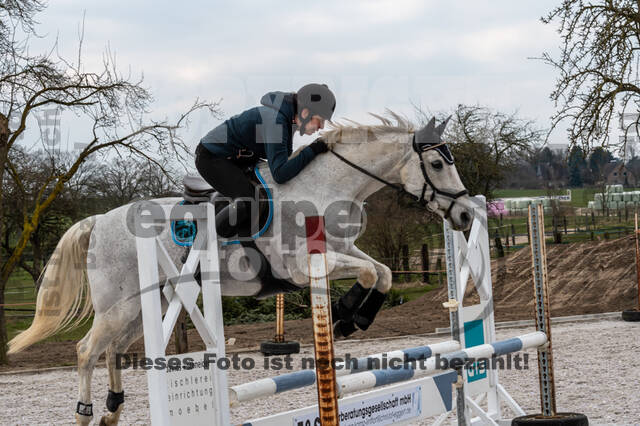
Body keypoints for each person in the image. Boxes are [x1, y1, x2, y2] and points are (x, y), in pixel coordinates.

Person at [195, 83, 336, 236]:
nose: (321, 126)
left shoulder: (287, 120)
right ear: (305, 112)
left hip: (237, 159)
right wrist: (313, 150)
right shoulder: (276, 121)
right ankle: (202, 237)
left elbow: (287, 164)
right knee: (250, 201)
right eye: (320, 120)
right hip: (211, 157)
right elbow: (280, 174)